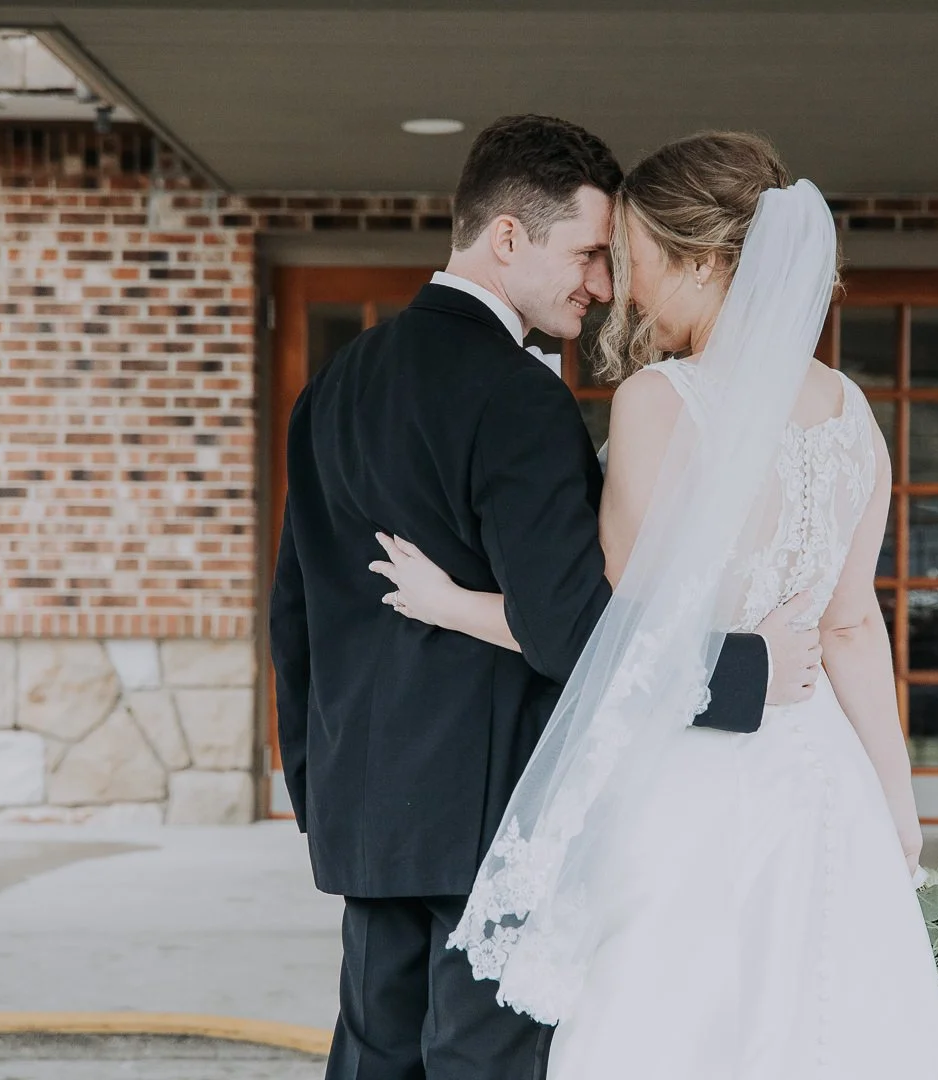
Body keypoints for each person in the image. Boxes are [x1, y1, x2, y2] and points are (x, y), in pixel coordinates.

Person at [373, 132, 938, 1079]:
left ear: (699, 260)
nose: (623, 283)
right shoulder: (856, 416)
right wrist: (899, 807)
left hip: (687, 777)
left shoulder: (661, 400)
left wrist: (452, 605)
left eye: (636, 256)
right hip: (825, 777)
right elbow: (853, 629)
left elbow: (610, 633)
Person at [269, 115, 825, 1080]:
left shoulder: (337, 381)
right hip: (494, 814)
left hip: (367, 808)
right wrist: (750, 670)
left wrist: (323, 792)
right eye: (587, 254)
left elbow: (295, 615)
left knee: (372, 1059)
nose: (602, 286)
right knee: (480, 1066)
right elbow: (573, 630)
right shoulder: (516, 396)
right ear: (509, 237)